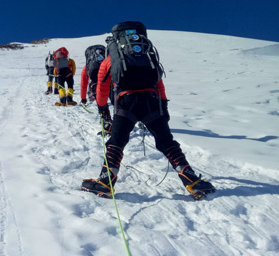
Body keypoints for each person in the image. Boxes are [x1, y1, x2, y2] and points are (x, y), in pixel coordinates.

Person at [81, 21, 216, 200]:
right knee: (167, 142)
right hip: (151, 102)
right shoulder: (148, 54)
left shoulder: (111, 59)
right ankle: (191, 180)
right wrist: (164, 107)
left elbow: (102, 88)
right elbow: (159, 82)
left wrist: (102, 108)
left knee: (116, 142)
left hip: (126, 103)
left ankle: (106, 182)